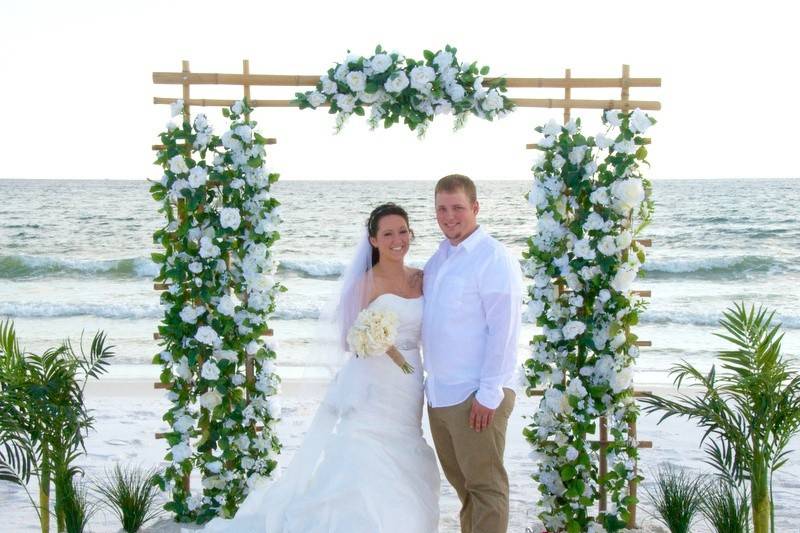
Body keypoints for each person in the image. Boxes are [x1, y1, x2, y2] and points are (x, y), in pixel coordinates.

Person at [199, 203, 440, 533]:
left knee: (406, 445)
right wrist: (373, 335)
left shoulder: (421, 278)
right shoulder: (366, 283)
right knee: (364, 450)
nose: (397, 239)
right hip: (373, 382)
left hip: (409, 382)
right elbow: (346, 339)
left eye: (403, 231)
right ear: (373, 240)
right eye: (387, 233)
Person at [422, 174, 523, 533]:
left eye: (458, 208)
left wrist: (488, 394)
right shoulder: (438, 261)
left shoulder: (492, 257)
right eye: (442, 209)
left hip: (475, 396)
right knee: (467, 491)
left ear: (475, 207)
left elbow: (505, 331)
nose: (449, 216)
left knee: (487, 490)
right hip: (441, 397)